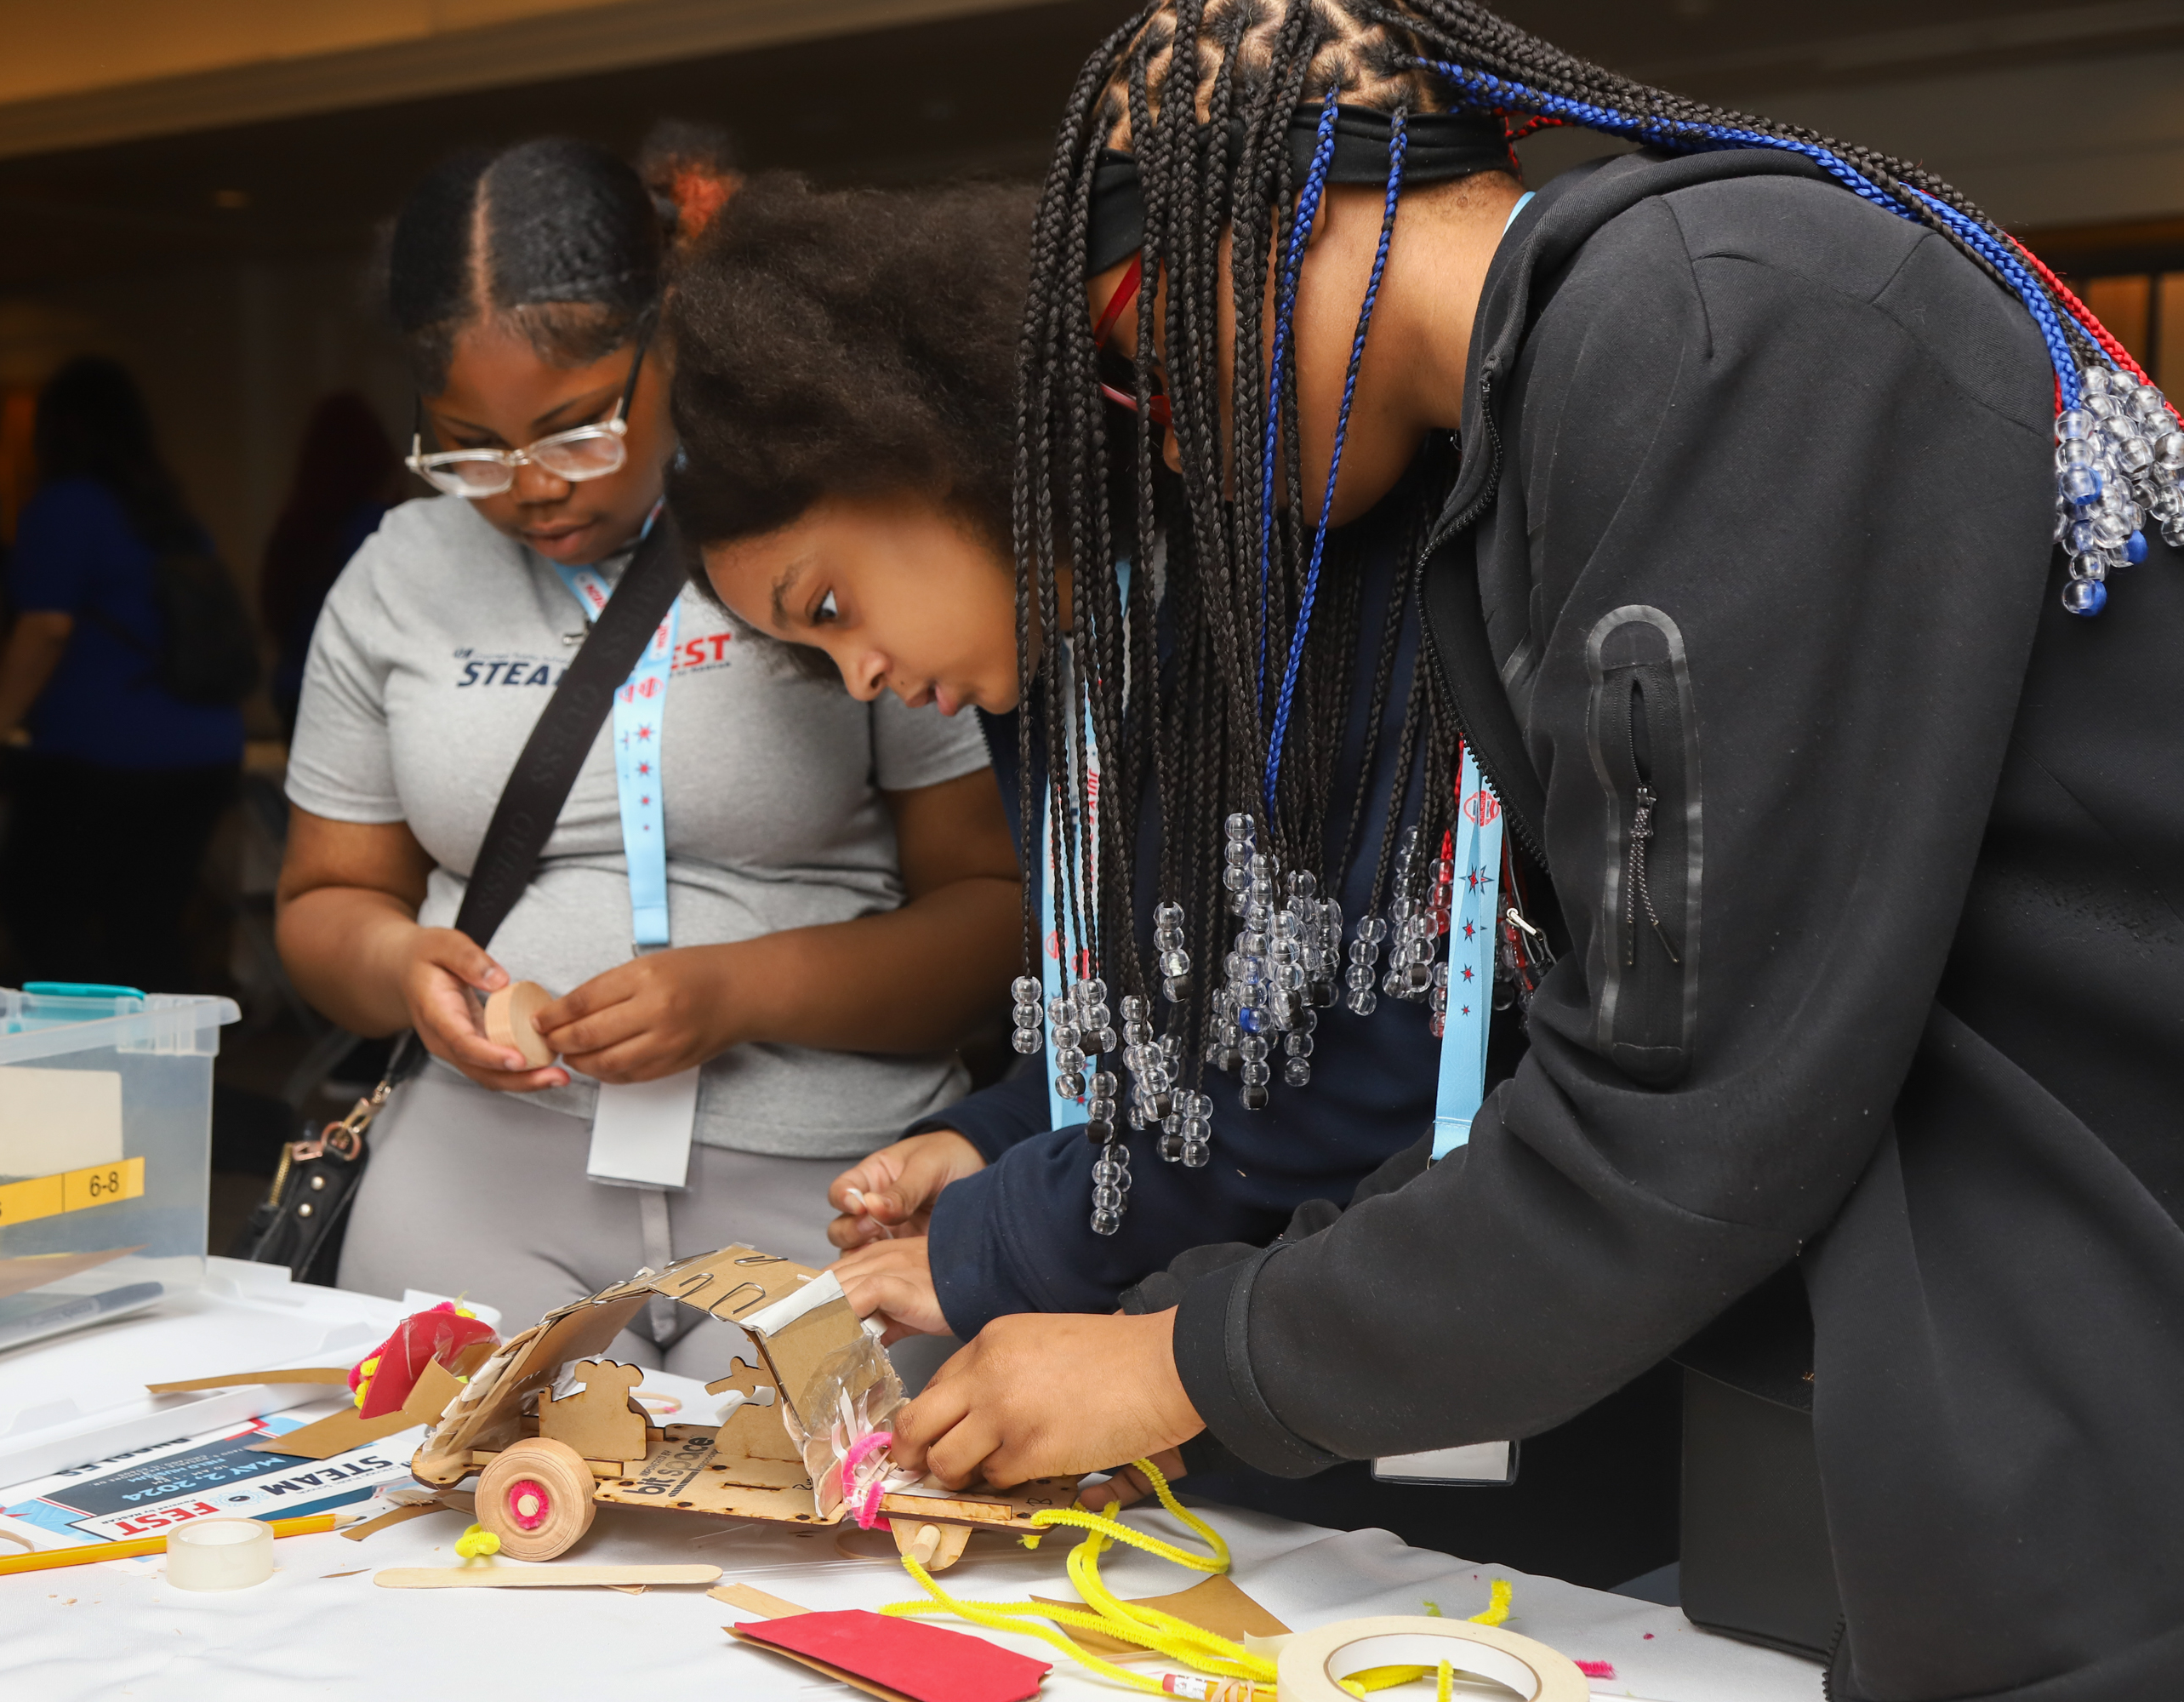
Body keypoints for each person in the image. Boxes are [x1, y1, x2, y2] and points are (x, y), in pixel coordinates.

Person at [687, 5, 2184, 1695]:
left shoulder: (1714, 320)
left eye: (1142, 353)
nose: (1157, 438)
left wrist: (1185, 1356)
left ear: (1271, 223)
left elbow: (1671, 1128)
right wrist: (1182, 1323)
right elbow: (1611, 1060)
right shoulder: (1548, 432)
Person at [667, 174, 1676, 1583]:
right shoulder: (1054, 677)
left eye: (831, 606)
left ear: (943, 449)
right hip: (1224, 1399)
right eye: (813, 658)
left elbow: (1369, 1060)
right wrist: (1007, 1132)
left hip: (1474, 1379)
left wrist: (995, 1241)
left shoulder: (1314, 585)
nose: (863, 674)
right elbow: (1179, 1005)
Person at [273, 136, 1021, 1375]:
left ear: (671, 328)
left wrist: (742, 992)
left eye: (575, 433)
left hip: (831, 1190)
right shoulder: (397, 579)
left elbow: (997, 919)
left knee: (818, 1547)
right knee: (468, 1542)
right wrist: (400, 961)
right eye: (471, 448)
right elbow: (323, 899)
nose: (530, 493)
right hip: (481, 1177)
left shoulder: (820, 533)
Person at [0, 357, 247, 995]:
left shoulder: (65, 506)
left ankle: (80, 1070)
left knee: (42, 911)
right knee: (148, 928)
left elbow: (46, 627)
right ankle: (168, 1080)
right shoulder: (173, 516)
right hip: (206, 751)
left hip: (106, 754)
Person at [260, 392, 401, 733]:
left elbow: (275, 611)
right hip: (358, 693)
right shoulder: (380, 528)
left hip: (297, 685)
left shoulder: (296, 526)